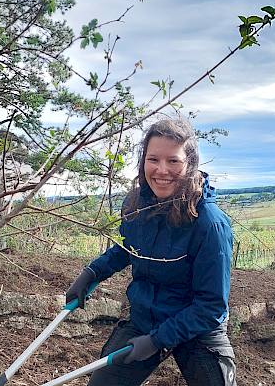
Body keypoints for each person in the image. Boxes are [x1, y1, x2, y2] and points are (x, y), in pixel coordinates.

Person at [65, 117, 237, 386]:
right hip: (146, 318)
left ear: (190, 164)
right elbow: (127, 249)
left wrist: (158, 340)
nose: (161, 170)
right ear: (143, 161)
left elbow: (211, 306)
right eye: (153, 159)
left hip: (197, 328)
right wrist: (91, 273)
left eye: (173, 161)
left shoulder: (210, 224)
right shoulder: (136, 205)